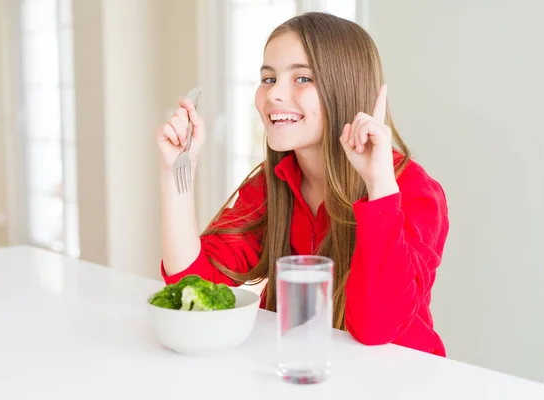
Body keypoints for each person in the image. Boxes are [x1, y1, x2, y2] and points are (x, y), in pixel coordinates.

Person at [155, 12, 449, 357]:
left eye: (302, 78)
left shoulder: (414, 192)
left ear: (344, 89)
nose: (274, 94)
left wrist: (379, 185)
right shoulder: (273, 184)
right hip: (300, 372)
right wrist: (177, 170)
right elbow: (195, 288)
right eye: (268, 78)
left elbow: (376, 329)